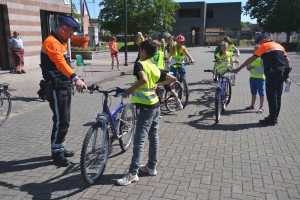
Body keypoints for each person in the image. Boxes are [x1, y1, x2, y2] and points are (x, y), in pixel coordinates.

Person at [116, 40, 176, 186]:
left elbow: (142, 79)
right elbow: (172, 78)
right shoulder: (153, 66)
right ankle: (151, 167)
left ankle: (133, 173)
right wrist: (158, 84)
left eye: (139, 49)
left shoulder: (140, 64)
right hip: (155, 105)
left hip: (145, 107)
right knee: (153, 136)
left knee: (139, 140)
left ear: (142, 50)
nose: (138, 51)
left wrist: (129, 90)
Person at [40, 15, 87, 167]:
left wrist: (75, 78)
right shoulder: (51, 43)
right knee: (62, 121)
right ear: (62, 28)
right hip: (56, 88)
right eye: (70, 33)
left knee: (62, 120)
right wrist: (75, 77)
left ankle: (60, 146)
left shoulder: (61, 43)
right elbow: (60, 63)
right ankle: (57, 153)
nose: (71, 36)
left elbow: (66, 65)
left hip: (64, 87)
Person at [232, 32, 291, 126]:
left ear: (263, 39)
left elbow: (252, 59)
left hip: (272, 73)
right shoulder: (279, 46)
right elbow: (287, 61)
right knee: (278, 96)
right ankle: (274, 117)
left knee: (272, 97)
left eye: (259, 42)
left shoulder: (264, 46)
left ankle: (271, 119)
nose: (259, 44)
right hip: (282, 72)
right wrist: (286, 75)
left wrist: (239, 68)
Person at [151, 40, 183, 110]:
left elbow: (165, 59)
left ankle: (178, 101)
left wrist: (169, 60)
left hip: (161, 73)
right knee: (156, 90)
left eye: (155, 46)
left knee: (169, 88)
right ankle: (158, 108)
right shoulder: (151, 54)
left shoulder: (160, 53)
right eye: (153, 46)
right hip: (154, 74)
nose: (154, 48)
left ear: (158, 47)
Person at [245, 45, 265, 114]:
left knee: (261, 93)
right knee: (253, 92)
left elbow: (264, 69)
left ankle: (261, 108)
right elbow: (248, 68)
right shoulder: (252, 58)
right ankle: (252, 105)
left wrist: (253, 67)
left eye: (257, 49)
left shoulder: (262, 58)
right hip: (252, 77)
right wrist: (248, 67)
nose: (256, 51)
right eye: (255, 50)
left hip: (260, 78)